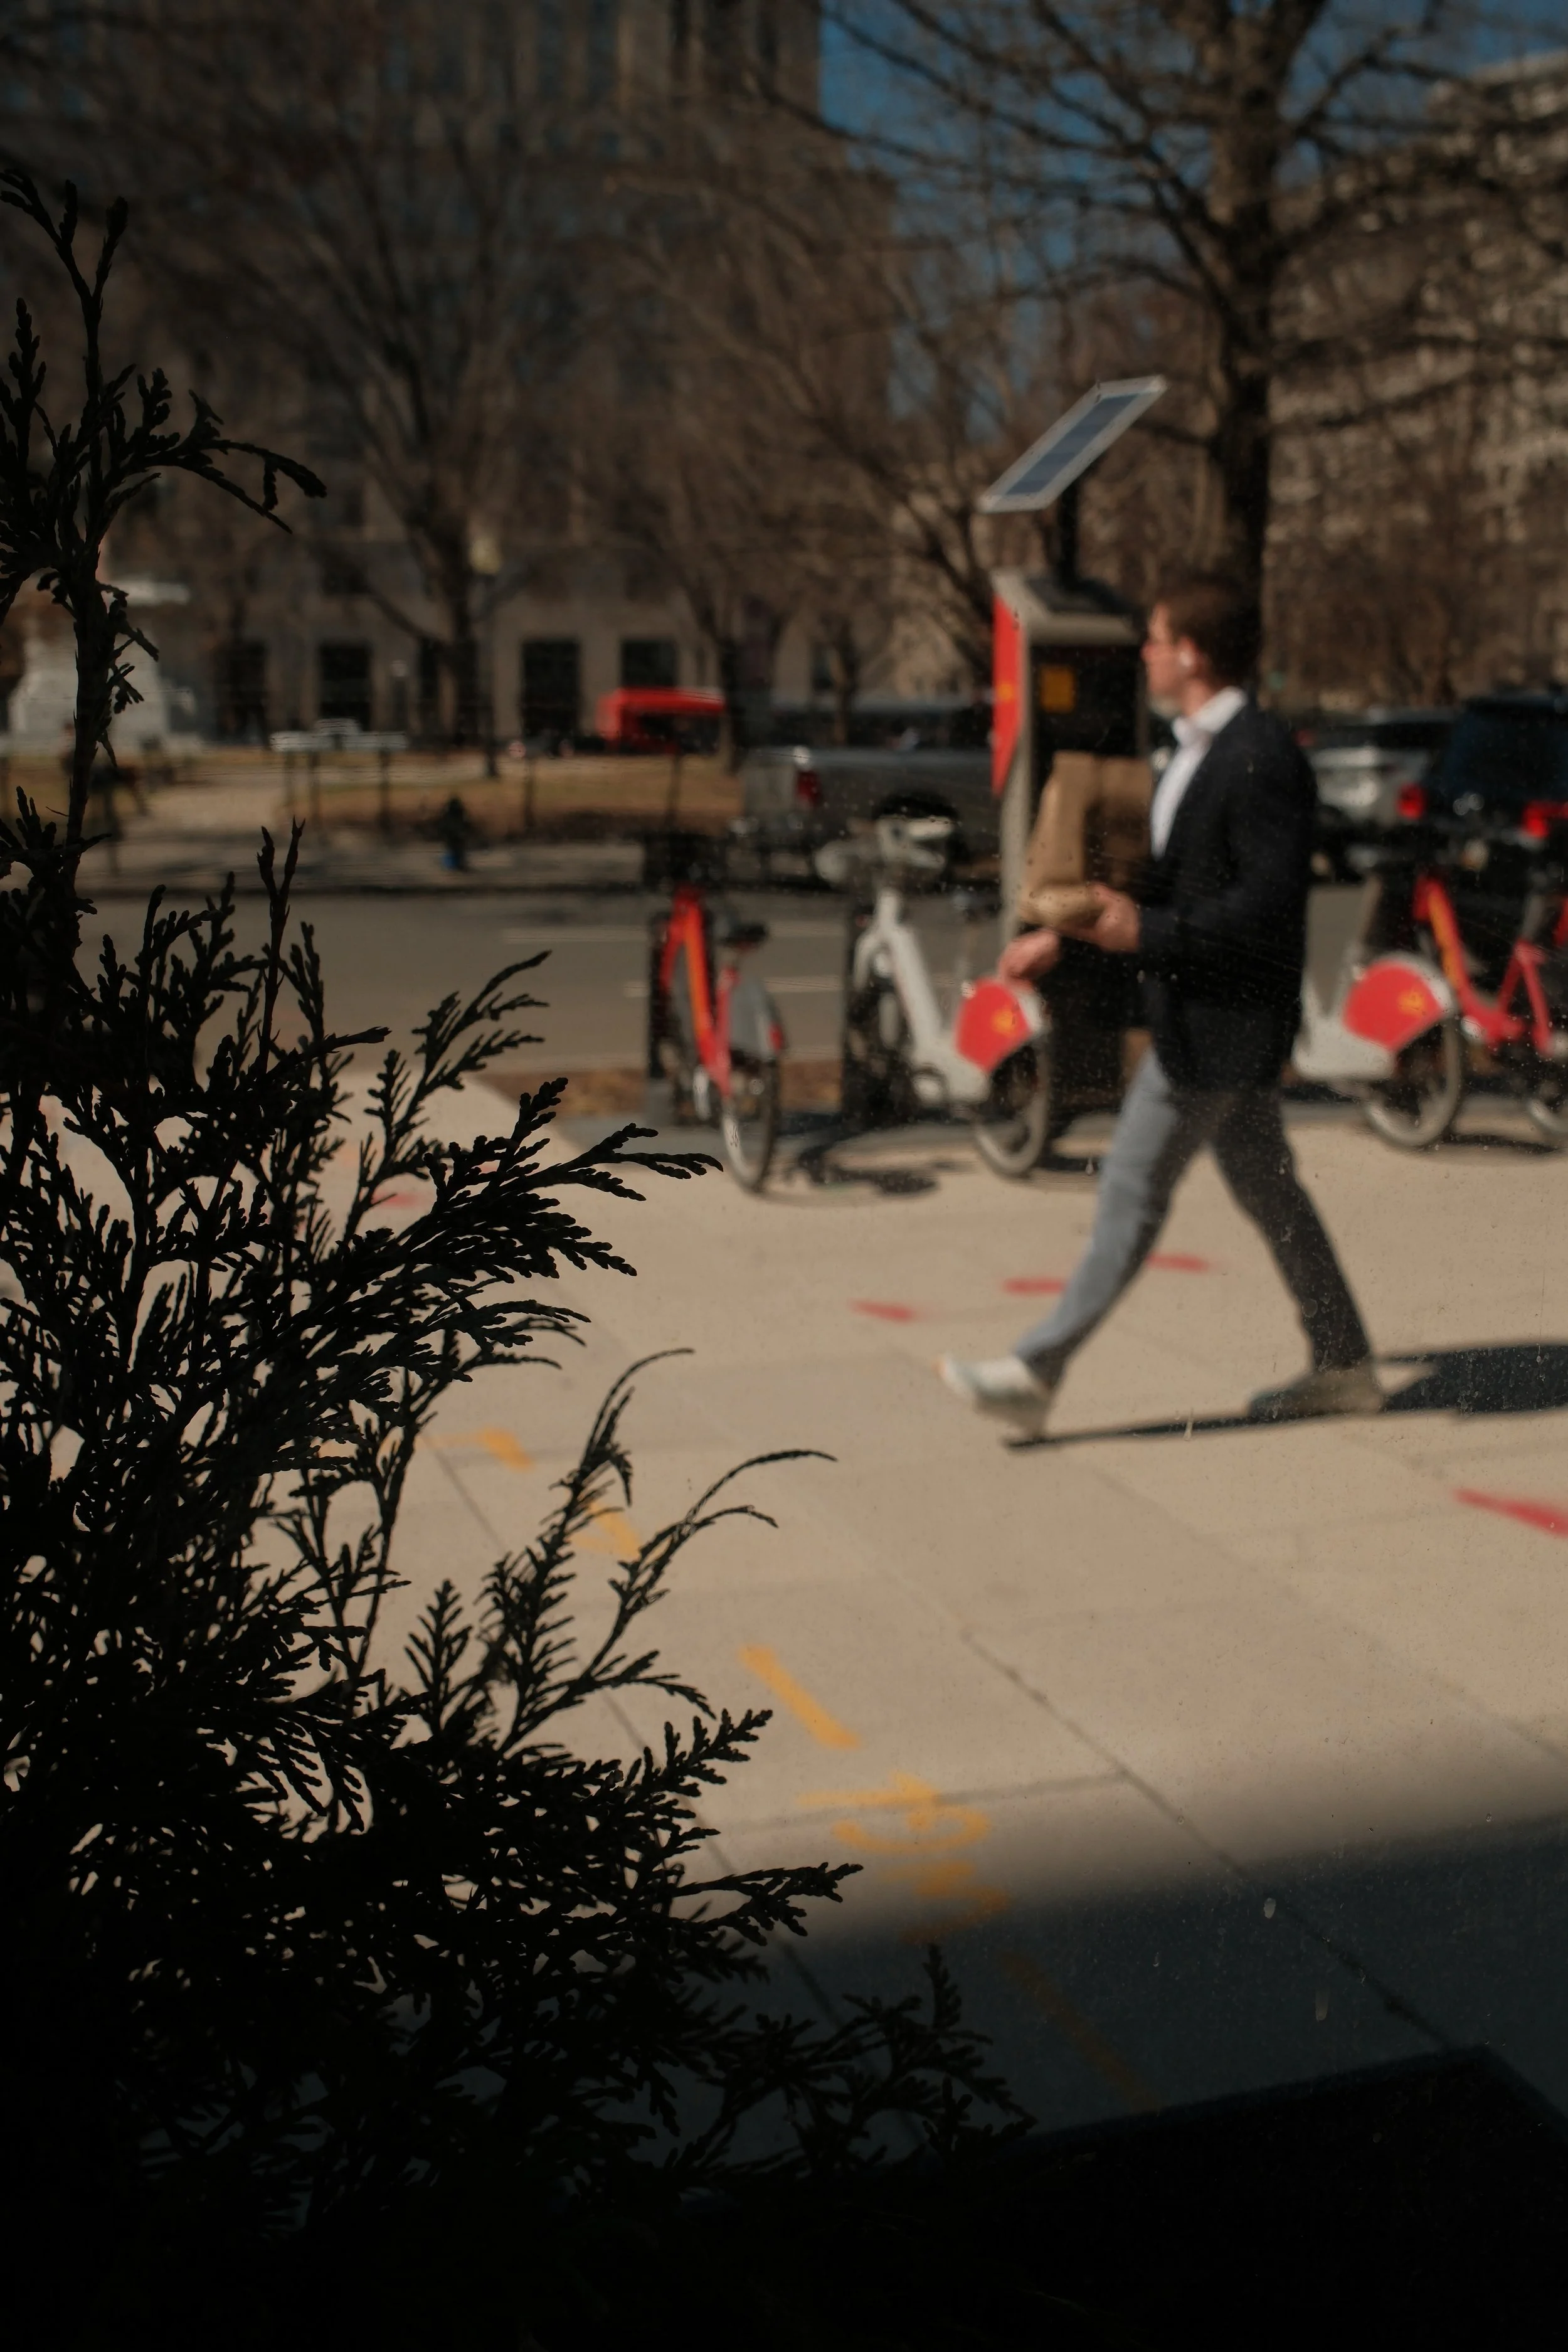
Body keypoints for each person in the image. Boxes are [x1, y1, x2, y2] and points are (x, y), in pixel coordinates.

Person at [940, 571, 1380, 1439]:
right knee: (1273, 1195)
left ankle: (1037, 1370)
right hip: (1205, 1018)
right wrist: (1064, 940)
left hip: (1220, 1025)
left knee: (1132, 1190)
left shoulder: (1261, 755)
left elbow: (1267, 907)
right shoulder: (1193, 749)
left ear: (1193, 653)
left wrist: (1150, 929)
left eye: (1156, 637)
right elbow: (1159, 888)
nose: (1143, 652)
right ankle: (1346, 1362)